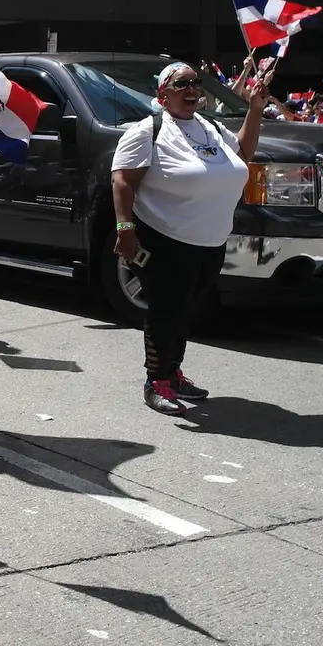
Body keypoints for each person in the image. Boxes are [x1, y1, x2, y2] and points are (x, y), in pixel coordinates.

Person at [112, 62, 269, 415]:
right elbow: (122, 181)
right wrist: (125, 231)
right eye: (181, 84)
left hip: (210, 241)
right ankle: (157, 381)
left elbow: (243, 156)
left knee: (186, 311)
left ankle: (173, 372)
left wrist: (255, 111)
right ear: (162, 95)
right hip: (164, 239)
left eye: (196, 84)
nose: (191, 90)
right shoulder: (149, 130)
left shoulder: (211, 127)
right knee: (166, 310)